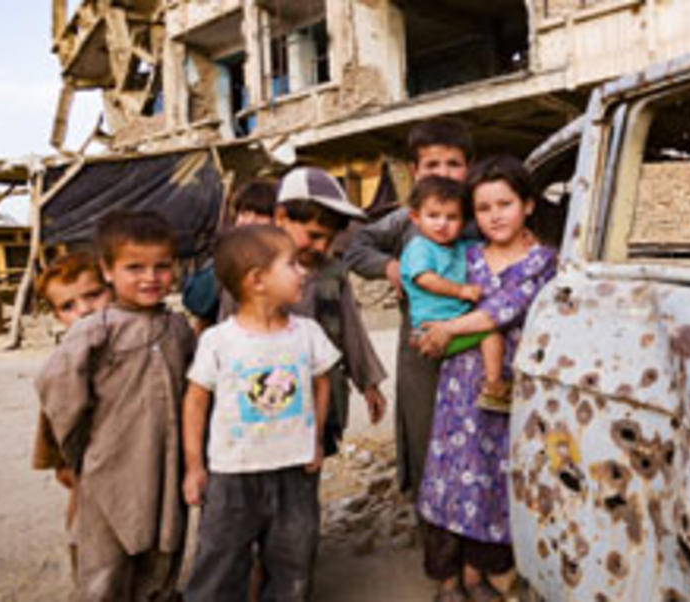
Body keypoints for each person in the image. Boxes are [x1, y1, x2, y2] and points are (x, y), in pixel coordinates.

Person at [414, 156, 557, 602]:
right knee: (448, 477)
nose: (495, 215)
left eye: (505, 203)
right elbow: (429, 295)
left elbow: (505, 308)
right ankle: (447, 580)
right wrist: (431, 331)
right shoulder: (465, 256)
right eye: (483, 208)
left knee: (493, 480)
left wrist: (449, 329)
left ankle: (479, 575)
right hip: (458, 386)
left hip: (509, 388)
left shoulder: (544, 262)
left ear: (528, 205)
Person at [35, 211, 197, 601]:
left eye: (162, 266)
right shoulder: (96, 330)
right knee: (104, 562)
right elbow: (56, 390)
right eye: (134, 267)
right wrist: (72, 456)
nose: (150, 277)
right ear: (107, 270)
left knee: (164, 547)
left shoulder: (177, 328)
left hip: (166, 463)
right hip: (109, 468)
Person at [182, 225, 340, 602]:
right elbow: (195, 400)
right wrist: (195, 466)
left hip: (294, 472)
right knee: (219, 564)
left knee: (293, 562)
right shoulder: (218, 341)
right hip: (232, 475)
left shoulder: (307, 333)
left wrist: (315, 441)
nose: (303, 272)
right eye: (291, 264)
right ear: (257, 280)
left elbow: (322, 383)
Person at [343, 117, 473, 497]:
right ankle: (429, 517)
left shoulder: (480, 214)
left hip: (477, 340)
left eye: (454, 164)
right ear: (415, 171)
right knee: (424, 429)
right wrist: (391, 267)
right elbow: (356, 247)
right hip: (419, 346)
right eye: (432, 165)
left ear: (469, 167)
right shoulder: (407, 220)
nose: (444, 174)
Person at [275, 166, 388, 453]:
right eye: (313, 235)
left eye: (329, 238)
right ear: (280, 218)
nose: (322, 246)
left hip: (322, 396)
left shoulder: (332, 273)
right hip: (269, 400)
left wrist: (369, 384)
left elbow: (351, 330)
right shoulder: (250, 271)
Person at [30, 252, 112, 579]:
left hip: (134, 453)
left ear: (112, 289)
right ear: (56, 316)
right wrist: (59, 461)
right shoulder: (64, 359)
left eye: (94, 295)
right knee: (86, 525)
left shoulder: (137, 339)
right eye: (68, 306)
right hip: (87, 458)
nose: (85, 310)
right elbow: (52, 414)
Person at [400, 176, 509, 411]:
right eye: (433, 216)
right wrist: (461, 290)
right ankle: (495, 386)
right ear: (415, 217)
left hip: (453, 324)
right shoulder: (420, 247)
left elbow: (490, 246)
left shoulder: (462, 247)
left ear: (463, 221)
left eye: (452, 217)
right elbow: (424, 278)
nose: (442, 224)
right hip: (433, 330)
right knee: (491, 332)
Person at [183, 179, 276, 334]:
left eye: (260, 214)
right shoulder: (226, 255)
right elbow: (195, 302)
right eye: (245, 213)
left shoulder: (285, 265)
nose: (250, 221)